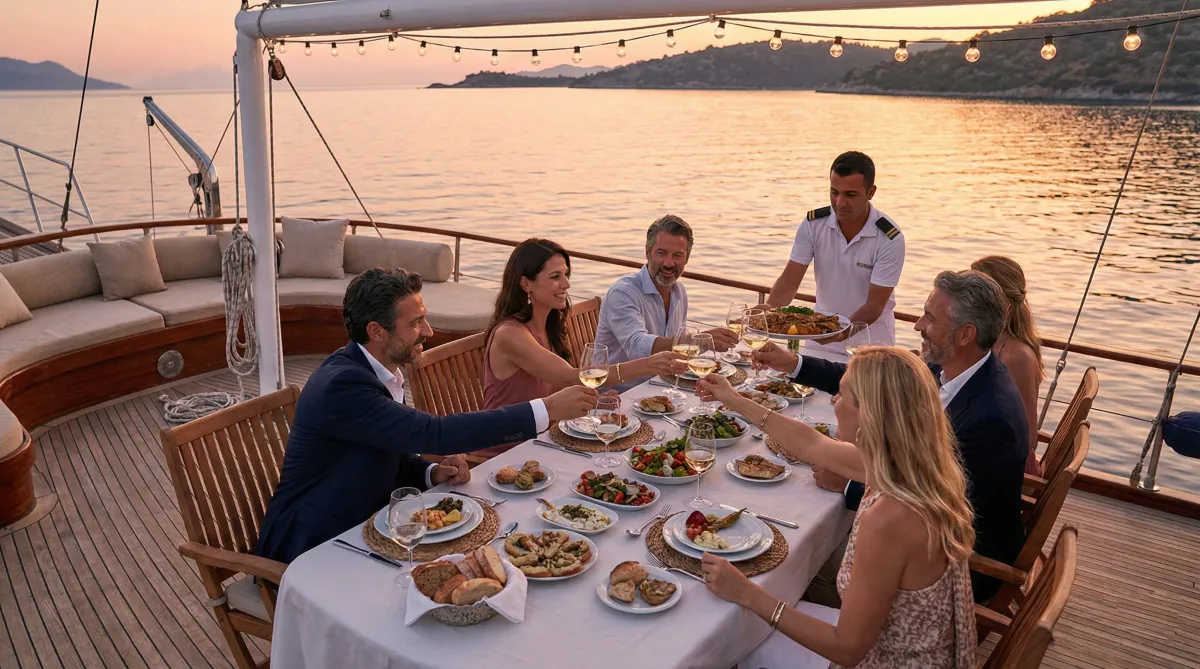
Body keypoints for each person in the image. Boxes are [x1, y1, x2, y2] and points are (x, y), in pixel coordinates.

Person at [256, 268, 598, 564]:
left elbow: (381, 453)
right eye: (416, 323)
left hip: (372, 529)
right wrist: (546, 409)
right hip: (313, 548)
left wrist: (433, 473)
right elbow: (434, 434)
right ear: (377, 331)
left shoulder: (377, 370)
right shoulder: (343, 385)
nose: (429, 331)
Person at [753, 269, 1027, 604]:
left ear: (965, 333)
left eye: (929, 318)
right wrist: (794, 363)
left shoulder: (989, 418)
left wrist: (852, 485)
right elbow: (866, 379)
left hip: (956, 565)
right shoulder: (954, 368)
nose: (917, 326)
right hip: (921, 533)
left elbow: (936, 503)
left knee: (798, 567)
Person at [698, 347, 977, 669]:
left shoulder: (890, 518)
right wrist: (732, 399)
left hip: (884, 661)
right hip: (905, 642)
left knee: (737, 641)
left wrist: (746, 592)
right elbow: (811, 444)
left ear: (872, 414)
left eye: (842, 396)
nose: (833, 402)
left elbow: (847, 649)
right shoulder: (912, 465)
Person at [479, 239, 687, 454]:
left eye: (566, 275)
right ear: (526, 284)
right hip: (507, 451)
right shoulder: (510, 334)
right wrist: (650, 364)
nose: (566, 284)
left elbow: (558, 390)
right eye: (555, 277)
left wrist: (593, 400)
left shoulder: (548, 327)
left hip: (544, 441)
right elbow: (571, 377)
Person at [763, 151, 905, 352]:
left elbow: (874, 306)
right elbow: (789, 281)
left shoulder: (889, 238)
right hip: (818, 334)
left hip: (870, 341)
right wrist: (769, 312)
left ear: (871, 192)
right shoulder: (814, 224)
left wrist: (839, 333)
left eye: (850, 195)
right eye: (834, 192)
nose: (840, 203)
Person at [592, 215, 738, 388]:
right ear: (648, 252)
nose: (669, 263)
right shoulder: (623, 292)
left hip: (662, 388)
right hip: (619, 396)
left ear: (687, 259)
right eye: (662, 253)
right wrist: (700, 340)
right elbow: (637, 346)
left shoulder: (680, 292)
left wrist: (708, 342)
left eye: (677, 255)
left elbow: (680, 346)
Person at [972, 256, 1045, 475]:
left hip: (1003, 471)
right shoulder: (990, 342)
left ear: (1003, 304)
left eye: (976, 293)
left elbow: (1028, 436)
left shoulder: (1016, 357)